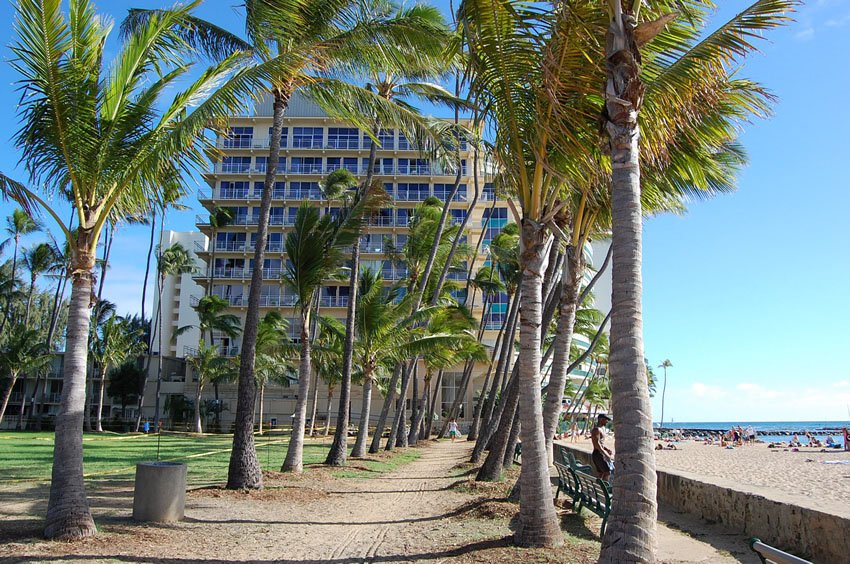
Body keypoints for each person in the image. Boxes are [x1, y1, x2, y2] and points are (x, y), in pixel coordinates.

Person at [591, 414, 614, 481]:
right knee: (607, 473)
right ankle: (604, 490)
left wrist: (606, 449)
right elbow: (597, 444)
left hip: (599, 453)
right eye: (606, 420)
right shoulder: (596, 430)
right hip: (598, 454)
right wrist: (606, 454)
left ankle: (597, 489)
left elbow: (600, 443)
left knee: (601, 473)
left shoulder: (601, 429)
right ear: (601, 419)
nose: (607, 422)